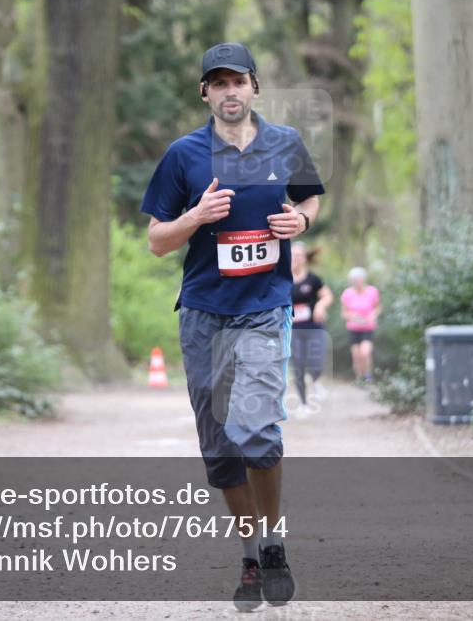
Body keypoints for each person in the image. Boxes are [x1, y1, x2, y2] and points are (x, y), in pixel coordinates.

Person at [142, 42, 324, 611]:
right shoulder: (183, 155)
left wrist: (300, 220)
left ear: (254, 87)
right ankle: (250, 552)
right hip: (203, 313)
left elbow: (311, 200)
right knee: (220, 447)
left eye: (237, 81)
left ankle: (273, 543)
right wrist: (195, 217)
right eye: (217, 83)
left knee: (260, 429)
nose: (229, 92)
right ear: (205, 92)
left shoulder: (285, 144)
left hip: (266, 307)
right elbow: (155, 241)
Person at [289, 242, 332, 415]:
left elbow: (327, 295)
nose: (295, 259)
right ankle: (303, 404)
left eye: (299, 256)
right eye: (292, 255)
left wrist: (320, 306)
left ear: (305, 259)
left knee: (316, 360)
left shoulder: (313, 279)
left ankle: (316, 381)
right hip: (293, 329)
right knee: (297, 365)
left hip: (313, 327)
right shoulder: (282, 279)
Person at [341, 266, 380, 384]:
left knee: (365, 352)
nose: (357, 281)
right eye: (354, 279)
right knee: (356, 355)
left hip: (368, 327)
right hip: (353, 328)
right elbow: (343, 313)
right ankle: (359, 378)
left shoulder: (372, 291)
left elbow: (378, 307)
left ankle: (368, 375)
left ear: (364, 279)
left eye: (359, 278)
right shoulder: (347, 294)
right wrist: (352, 316)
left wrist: (373, 314)